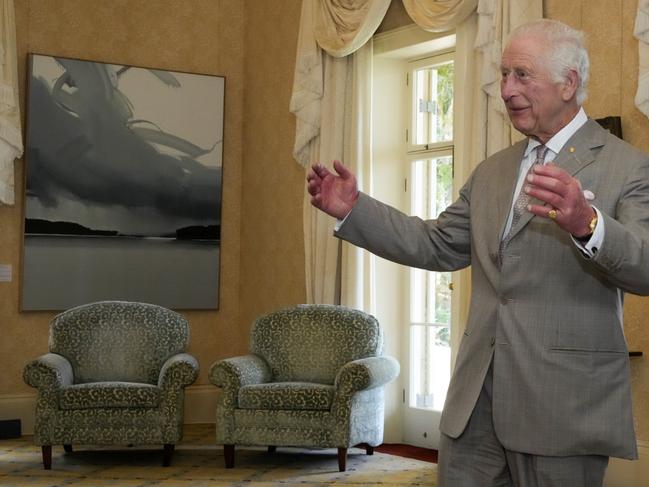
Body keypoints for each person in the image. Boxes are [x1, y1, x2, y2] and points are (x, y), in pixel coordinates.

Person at [306, 19, 649, 487]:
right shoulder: (493, 171)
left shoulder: (628, 167)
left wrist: (588, 225)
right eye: (504, 74)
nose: (506, 89)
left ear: (568, 83)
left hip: (563, 404)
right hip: (475, 404)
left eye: (521, 74)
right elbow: (438, 244)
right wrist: (355, 211)